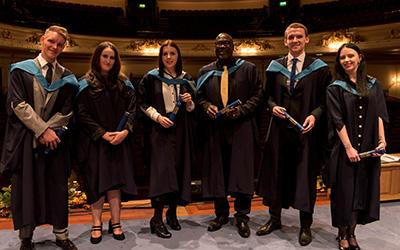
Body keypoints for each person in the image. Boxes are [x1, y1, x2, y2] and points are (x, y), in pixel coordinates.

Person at [0, 25, 78, 250]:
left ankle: (61, 235)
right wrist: (42, 130)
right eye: (51, 41)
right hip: (26, 141)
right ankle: (26, 237)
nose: (55, 46)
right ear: (42, 40)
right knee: (27, 187)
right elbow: (17, 103)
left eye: (60, 44)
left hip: (55, 142)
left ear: (64, 47)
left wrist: (49, 132)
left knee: (58, 188)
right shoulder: (20, 70)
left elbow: (67, 111)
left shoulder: (68, 78)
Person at [256, 22, 331, 246]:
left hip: (306, 134)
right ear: (285, 41)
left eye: (299, 36)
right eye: (291, 37)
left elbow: (326, 102)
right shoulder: (274, 67)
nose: (295, 40)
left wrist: (315, 116)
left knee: (305, 179)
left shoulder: (320, 68)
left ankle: (305, 226)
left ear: (307, 39)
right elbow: (265, 97)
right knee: (275, 174)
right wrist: (272, 107)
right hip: (279, 132)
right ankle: (274, 219)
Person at [196, 33, 263, 238]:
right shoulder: (205, 71)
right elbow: (200, 97)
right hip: (215, 129)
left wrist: (241, 111)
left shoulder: (249, 69)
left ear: (233, 46)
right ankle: (221, 214)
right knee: (218, 172)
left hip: (241, 128)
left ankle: (242, 216)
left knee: (241, 173)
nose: (222, 46)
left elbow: (259, 95)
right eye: (218, 44)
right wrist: (206, 106)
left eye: (226, 43)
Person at [326, 43, 388, 250]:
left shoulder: (373, 84)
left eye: (350, 56)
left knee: (362, 191)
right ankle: (342, 234)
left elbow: (379, 113)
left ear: (360, 57)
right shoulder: (335, 87)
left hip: (369, 148)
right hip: (345, 149)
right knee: (344, 193)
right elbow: (337, 121)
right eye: (342, 58)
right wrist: (349, 148)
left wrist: (382, 140)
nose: (347, 60)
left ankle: (352, 233)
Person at [75, 41, 137, 244]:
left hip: (119, 140)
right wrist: (102, 133)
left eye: (112, 57)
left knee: (115, 183)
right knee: (96, 184)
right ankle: (96, 223)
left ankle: (116, 221)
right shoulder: (85, 83)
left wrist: (126, 131)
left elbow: (133, 110)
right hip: (96, 142)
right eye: (105, 56)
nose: (108, 60)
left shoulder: (124, 83)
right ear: (97, 58)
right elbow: (81, 114)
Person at [137, 40, 196, 238]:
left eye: (172, 53)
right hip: (160, 131)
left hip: (181, 131)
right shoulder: (151, 78)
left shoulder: (186, 78)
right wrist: (157, 117)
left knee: (178, 172)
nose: (169, 57)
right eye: (165, 54)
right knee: (162, 176)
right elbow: (142, 103)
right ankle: (156, 218)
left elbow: (195, 109)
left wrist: (189, 103)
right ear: (160, 57)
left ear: (178, 56)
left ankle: (172, 214)